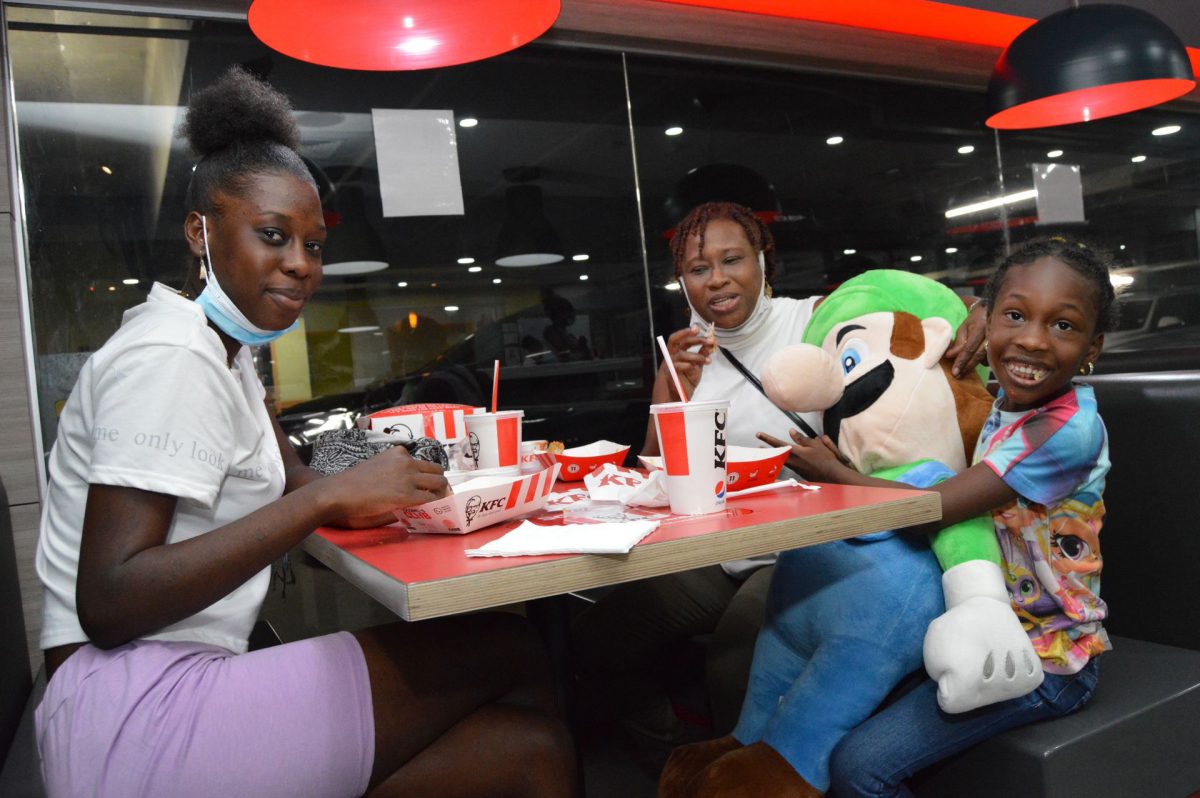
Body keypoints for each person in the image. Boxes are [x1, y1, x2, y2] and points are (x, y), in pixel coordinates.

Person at [33, 66, 576, 798]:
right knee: (509, 647)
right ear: (201, 231)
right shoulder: (171, 354)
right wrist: (328, 500)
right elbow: (110, 600)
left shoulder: (226, 352)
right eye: (272, 235)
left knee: (528, 752)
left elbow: (292, 477)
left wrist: (416, 465)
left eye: (314, 245)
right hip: (130, 714)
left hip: (165, 681)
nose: (300, 264)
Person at [570, 202, 988, 773]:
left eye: (732, 259)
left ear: (764, 261)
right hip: (721, 550)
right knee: (602, 634)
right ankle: (673, 759)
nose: (715, 279)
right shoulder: (687, 358)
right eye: (697, 269)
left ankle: (740, 775)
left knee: (733, 661)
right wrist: (668, 390)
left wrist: (981, 309)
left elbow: (928, 307)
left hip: (806, 546)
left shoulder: (815, 318)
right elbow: (649, 475)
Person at [776, 238, 1114, 798]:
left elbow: (935, 506)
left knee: (859, 767)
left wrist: (837, 473)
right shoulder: (1008, 397)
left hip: (1045, 659)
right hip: (980, 626)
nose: (1032, 338)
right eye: (1015, 315)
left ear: (1091, 347)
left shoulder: (1062, 429)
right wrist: (977, 312)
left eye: (1063, 326)